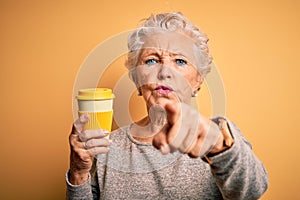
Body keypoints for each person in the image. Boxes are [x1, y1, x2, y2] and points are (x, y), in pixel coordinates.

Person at [66, 12, 268, 199]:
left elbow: (251, 192)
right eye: (152, 61)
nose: (164, 73)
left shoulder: (220, 136)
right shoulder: (106, 146)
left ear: (198, 80)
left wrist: (218, 147)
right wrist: (78, 172)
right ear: (136, 79)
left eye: (180, 61)